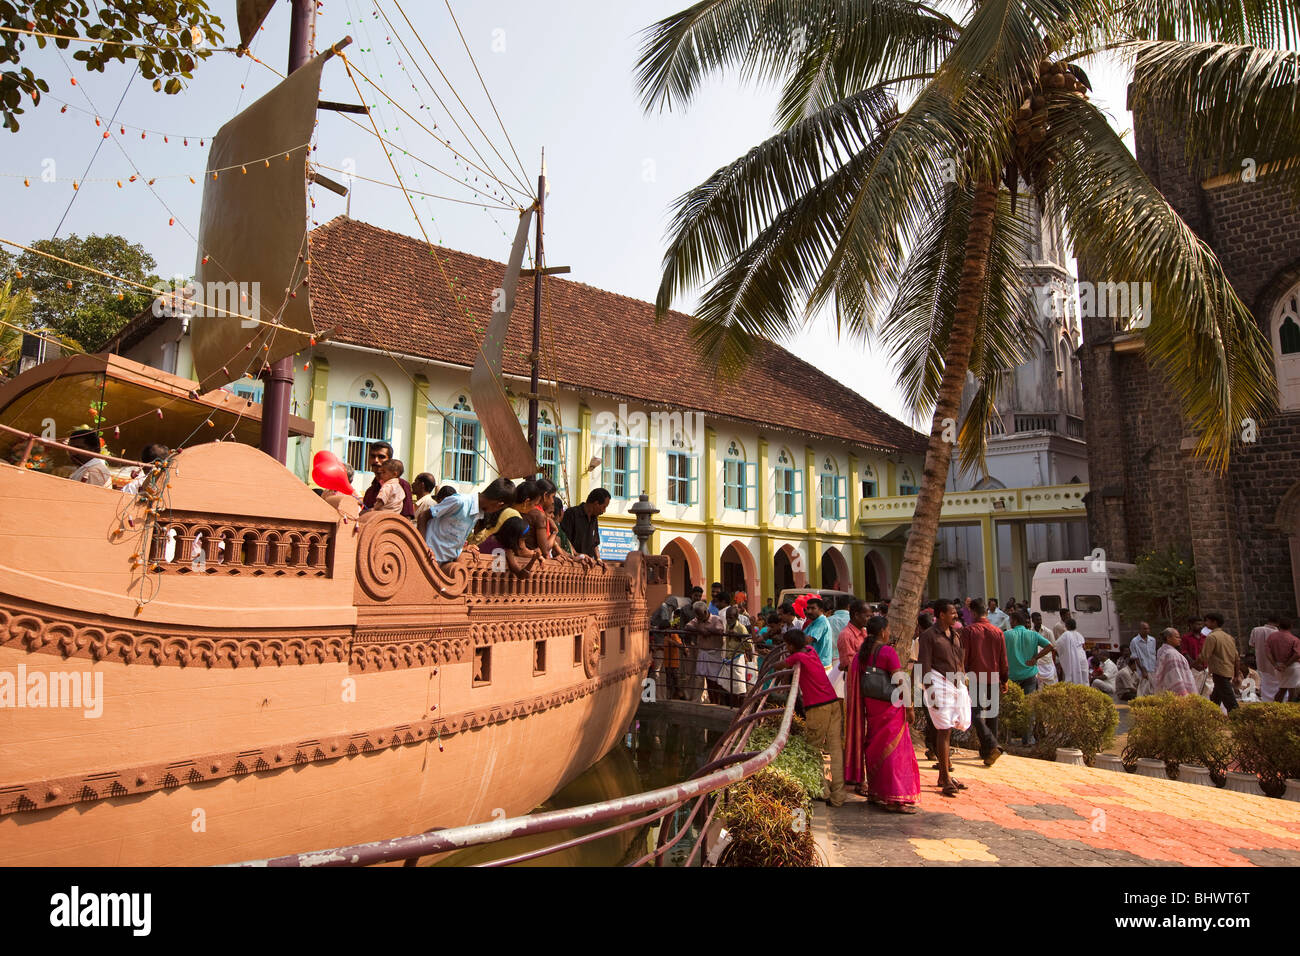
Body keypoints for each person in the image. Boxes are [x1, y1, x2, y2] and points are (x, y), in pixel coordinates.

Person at [847, 616, 920, 813]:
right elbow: (900, 680)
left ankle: (875, 792)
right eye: (888, 630)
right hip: (890, 708)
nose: (889, 633)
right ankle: (895, 799)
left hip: (871, 706)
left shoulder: (863, 652)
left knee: (875, 747)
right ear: (882, 632)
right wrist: (910, 707)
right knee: (894, 752)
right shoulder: (888, 652)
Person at [783, 627, 846, 807]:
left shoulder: (798, 657)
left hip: (818, 707)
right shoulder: (811, 651)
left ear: (791, 645)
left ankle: (822, 790)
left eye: (787, 645)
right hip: (832, 702)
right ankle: (838, 795)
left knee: (813, 748)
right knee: (835, 749)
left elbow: (781, 665)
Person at [919, 600, 969, 797]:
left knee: (950, 730)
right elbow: (924, 665)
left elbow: (960, 661)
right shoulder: (928, 636)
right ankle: (945, 777)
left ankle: (944, 775)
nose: (955, 615)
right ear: (941, 615)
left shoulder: (954, 634)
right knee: (943, 731)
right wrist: (930, 691)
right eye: (952, 612)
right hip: (938, 686)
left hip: (955, 686)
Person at [422, 477, 513, 564]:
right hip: (428, 559)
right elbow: (423, 516)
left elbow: (451, 538)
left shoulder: (478, 514)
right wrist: (422, 547)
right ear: (499, 504)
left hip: (445, 563)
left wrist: (465, 548)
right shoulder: (460, 501)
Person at [962, 599, 1008, 767]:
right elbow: (1003, 659)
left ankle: (991, 745)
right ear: (986, 612)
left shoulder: (969, 631)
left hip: (975, 677)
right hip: (994, 677)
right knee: (992, 715)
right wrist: (1005, 679)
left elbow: (963, 657)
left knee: (974, 713)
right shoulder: (998, 631)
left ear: (973, 613)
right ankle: (988, 752)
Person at [1196, 611, 1240, 712]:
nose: (1205, 623)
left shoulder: (1212, 637)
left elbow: (1204, 656)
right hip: (1228, 671)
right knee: (1216, 697)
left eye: (1207, 621)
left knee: (1230, 701)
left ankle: (1238, 719)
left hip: (1219, 672)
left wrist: (1193, 664)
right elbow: (1237, 658)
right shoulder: (1229, 637)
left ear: (1214, 622)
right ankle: (1211, 716)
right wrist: (1236, 675)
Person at [361, 442, 414, 518]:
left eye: (381, 457)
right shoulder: (370, 491)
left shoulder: (402, 485)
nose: (376, 460)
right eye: (373, 456)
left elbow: (407, 519)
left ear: (389, 461)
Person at [684, 601, 724, 703]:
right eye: (697, 616)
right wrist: (700, 629)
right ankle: (696, 700)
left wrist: (707, 630)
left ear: (706, 612)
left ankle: (716, 702)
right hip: (702, 652)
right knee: (699, 678)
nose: (699, 618)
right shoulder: (698, 620)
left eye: (700, 615)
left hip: (714, 653)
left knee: (713, 681)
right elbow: (687, 626)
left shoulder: (716, 619)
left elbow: (720, 630)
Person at [558, 487, 608, 558]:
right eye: (604, 507)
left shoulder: (594, 519)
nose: (604, 511)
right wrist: (577, 556)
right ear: (596, 504)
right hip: (572, 562)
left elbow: (595, 544)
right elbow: (565, 540)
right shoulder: (571, 513)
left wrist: (598, 559)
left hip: (588, 563)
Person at [1154, 628, 1198, 696]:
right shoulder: (1172, 654)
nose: (1180, 639)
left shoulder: (1162, 650)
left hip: (1165, 690)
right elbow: (1176, 676)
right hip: (1175, 693)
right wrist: (1183, 694)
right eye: (1177, 637)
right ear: (1168, 638)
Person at [1265, 618, 1300, 702]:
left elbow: (1268, 653)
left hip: (1278, 666)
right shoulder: (1294, 639)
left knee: (1282, 689)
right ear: (1291, 627)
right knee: (1293, 689)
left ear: (1279, 626)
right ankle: (1290, 709)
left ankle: (1276, 707)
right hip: (1292, 666)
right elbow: (1297, 654)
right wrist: (1286, 664)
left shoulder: (1271, 637)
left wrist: (1275, 664)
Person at [1251, 616, 1281, 703]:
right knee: (1276, 685)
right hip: (1275, 662)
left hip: (1261, 661)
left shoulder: (1256, 630)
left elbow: (1252, 644)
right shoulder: (1278, 633)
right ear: (1278, 623)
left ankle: (1266, 703)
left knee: (1264, 684)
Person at [1056, 618, 1090, 685]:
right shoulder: (1080, 635)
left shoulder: (1066, 634)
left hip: (1074, 658)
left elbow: (1057, 645)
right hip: (1082, 657)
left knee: (1075, 677)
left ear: (1067, 626)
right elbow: (1084, 647)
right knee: (1084, 677)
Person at [1031, 612, 1059, 688]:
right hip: (1037, 663)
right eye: (1037, 620)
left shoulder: (1048, 632)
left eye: (1040, 619)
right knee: (1039, 686)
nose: (1039, 621)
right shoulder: (1030, 633)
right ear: (1033, 621)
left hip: (1047, 662)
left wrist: (1053, 662)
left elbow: (1053, 648)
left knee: (1051, 685)